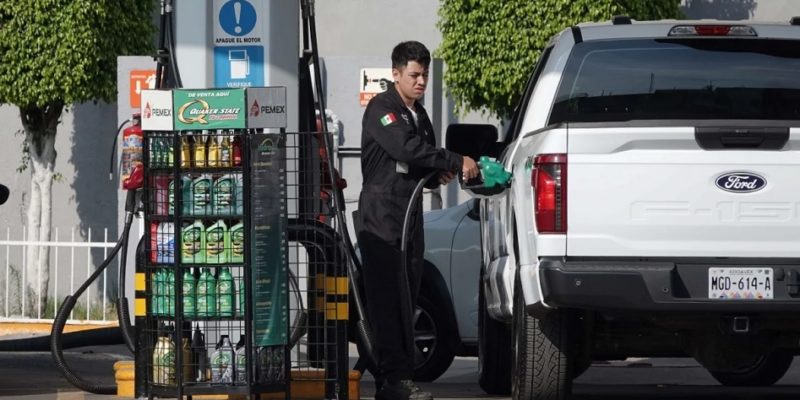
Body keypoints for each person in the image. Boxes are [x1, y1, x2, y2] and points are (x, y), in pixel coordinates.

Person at [356, 41, 479, 400]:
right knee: (388, 299)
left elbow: (421, 159)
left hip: (409, 213)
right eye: (414, 75)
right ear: (396, 74)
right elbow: (404, 148)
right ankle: (393, 379)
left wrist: (438, 173)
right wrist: (454, 160)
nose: (421, 81)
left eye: (424, 74)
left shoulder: (419, 114)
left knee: (407, 295)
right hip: (382, 215)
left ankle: (398, 379)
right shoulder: (382, 109)